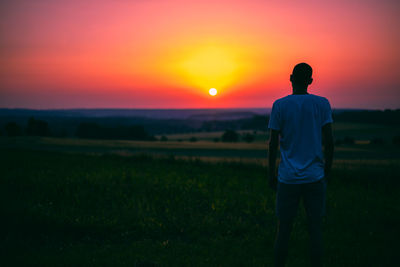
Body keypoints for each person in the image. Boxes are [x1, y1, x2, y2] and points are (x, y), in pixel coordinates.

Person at [268, 63, 334, 267]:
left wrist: (272, 174)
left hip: (287, 178)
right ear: (311, 81)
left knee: (283, 230)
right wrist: (327, 171)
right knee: (315, 229)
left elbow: (273, 143)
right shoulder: (322, 104)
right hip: (315, 177)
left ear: (290, 78)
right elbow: (329, 141)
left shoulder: (280, 105)